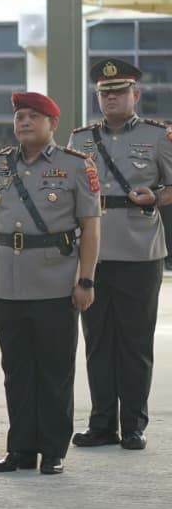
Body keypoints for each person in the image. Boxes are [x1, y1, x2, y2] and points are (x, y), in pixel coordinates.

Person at [0, 91, 100, 475]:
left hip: (55, 284)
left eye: (32, 116)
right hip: (8, 284)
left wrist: (86, 280)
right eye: (19, 118)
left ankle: (53, 449)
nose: (24, 123)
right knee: (16, 369)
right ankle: (21, 450)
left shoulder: (76, 166)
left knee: (54, 369)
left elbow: (90, 227)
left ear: (52, 124)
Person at [68, 58, 172, 452]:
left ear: (135, 94)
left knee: (134, 341)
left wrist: (157, 196)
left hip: (139, 252)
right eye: (104, 92)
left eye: (118, 91)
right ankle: (101, 424)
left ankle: (133, 424)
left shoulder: (159, 136)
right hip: (92, 255)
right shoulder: (79, 140)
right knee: (97, 342)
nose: (111, 97)